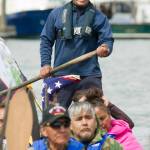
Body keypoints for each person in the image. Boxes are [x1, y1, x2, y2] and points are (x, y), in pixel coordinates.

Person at [40, 0, 114, 108]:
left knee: (96, 116)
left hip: (89, 76)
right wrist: (45, 64)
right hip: (62, 75)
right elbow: (46, 40)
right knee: (55, 119)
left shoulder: (100, 17)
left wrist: (105, 48)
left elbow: (107, 41)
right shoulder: (55, 14)